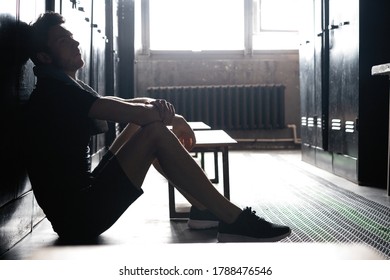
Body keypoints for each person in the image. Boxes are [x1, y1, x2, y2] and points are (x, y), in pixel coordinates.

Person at [23, 11, 291, 242]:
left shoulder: (63, 86)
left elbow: (124, 104)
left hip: (81, 207)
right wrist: (170, 119)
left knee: (144, 127)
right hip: (80, 219)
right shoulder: (56, 92)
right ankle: (232, 218)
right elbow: (131, 111)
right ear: (45, 57)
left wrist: (175, 117)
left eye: (71, 36)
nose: (76, 42)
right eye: (63, 40)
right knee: (153, 131)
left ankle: (202, 209)